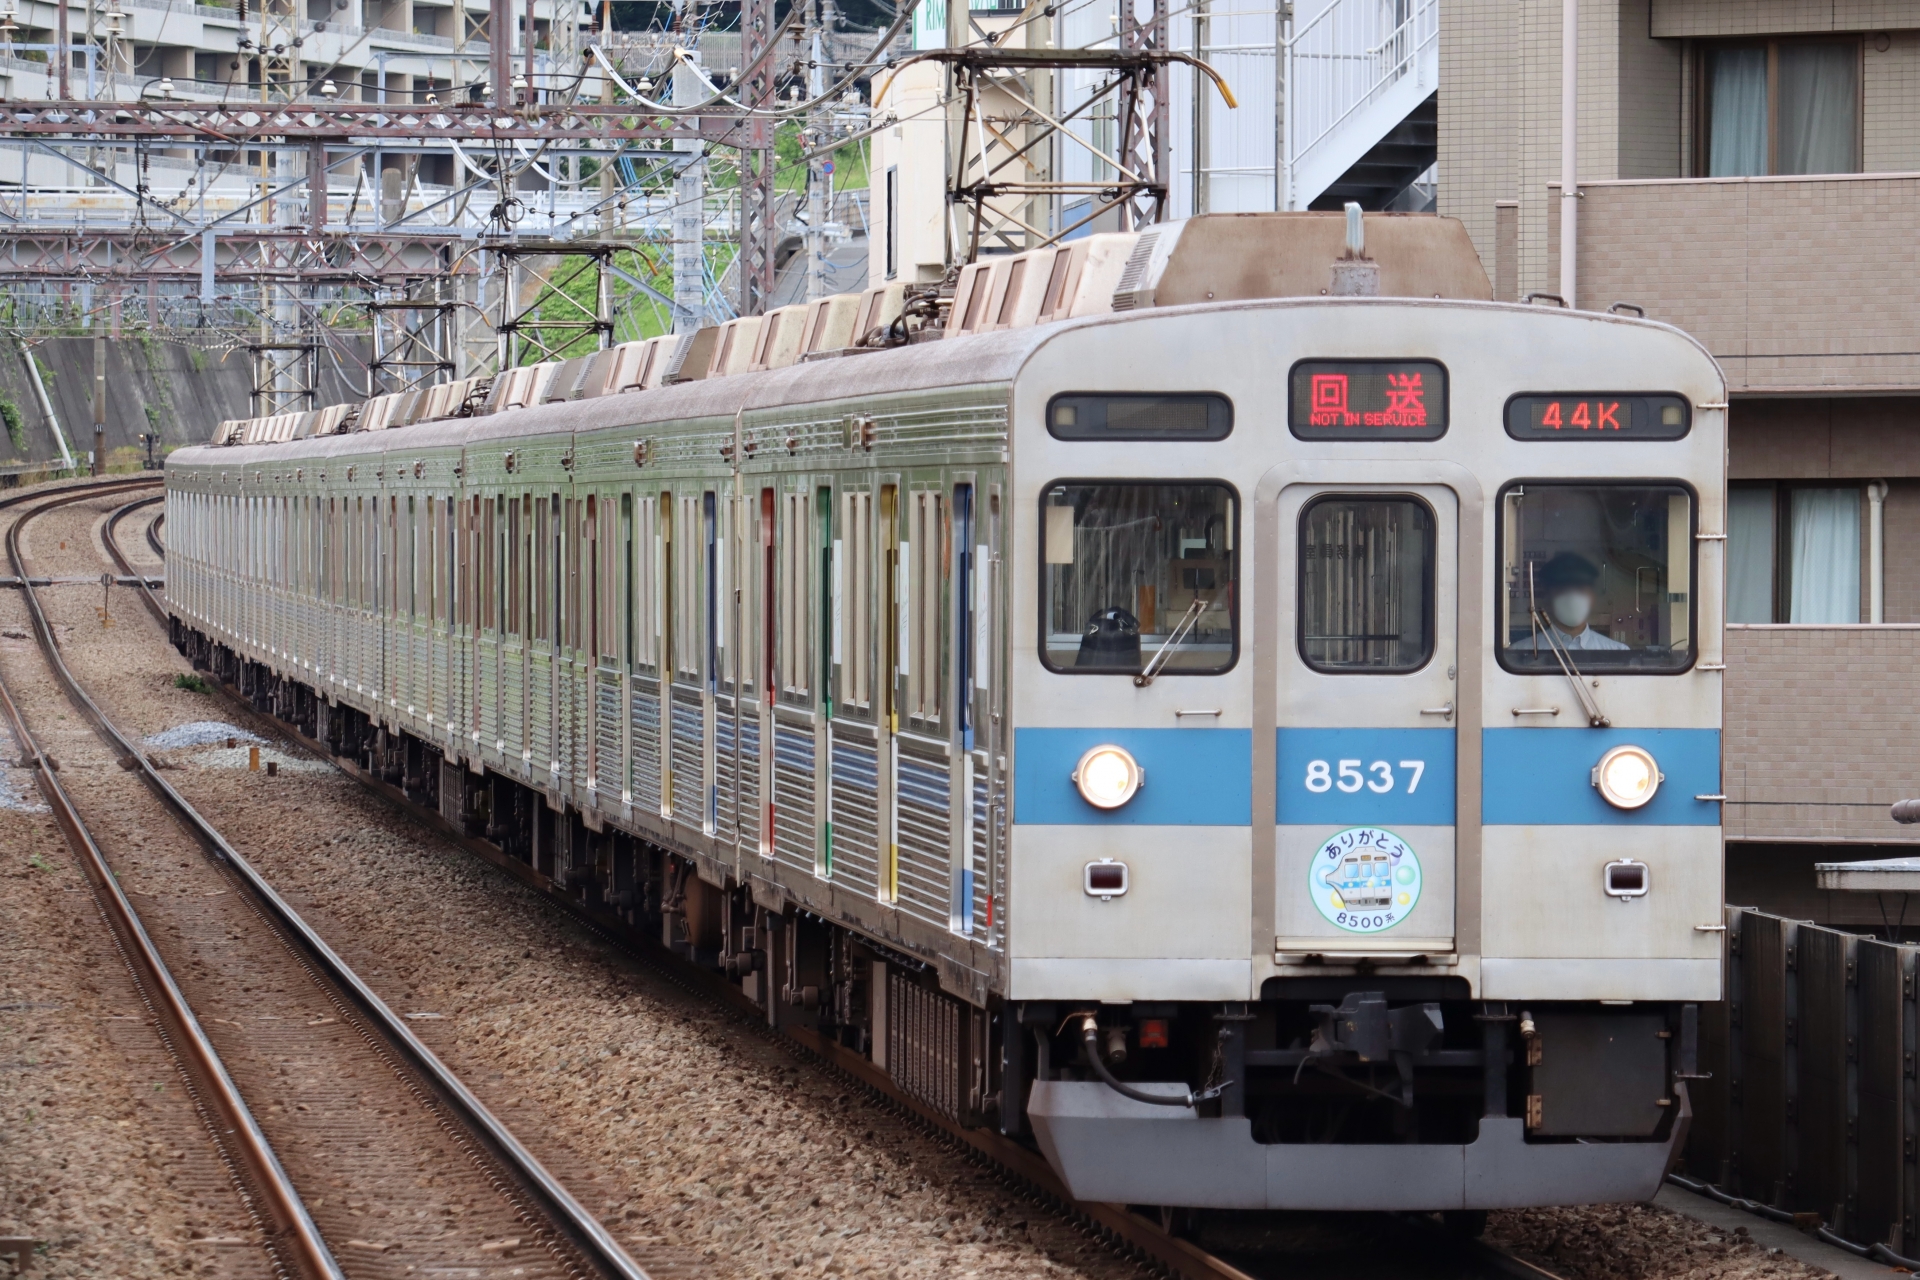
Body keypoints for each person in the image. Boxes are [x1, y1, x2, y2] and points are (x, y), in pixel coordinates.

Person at [1521, 552, 1628, 651]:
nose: (1572, 600)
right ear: (1548, 598)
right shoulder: (1521, 652)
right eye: (1563, 590)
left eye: (1580, 590)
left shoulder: (1618, 652)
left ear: (1592, 598)